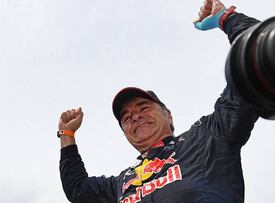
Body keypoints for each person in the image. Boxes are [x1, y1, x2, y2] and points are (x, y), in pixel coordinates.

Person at [58, 0, 260, 202]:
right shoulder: (121, 184)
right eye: (126, 117)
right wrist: (66, 134)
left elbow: (255, 61)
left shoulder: (207, 137)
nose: (135, 116)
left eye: (143, 107)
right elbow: (78, 190)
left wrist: (226, 18)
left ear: (168, 115)